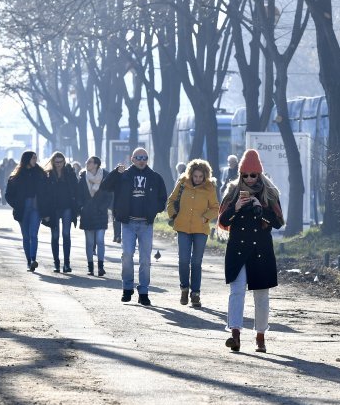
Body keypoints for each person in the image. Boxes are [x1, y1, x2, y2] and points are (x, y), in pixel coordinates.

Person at [218, 149, 284, 353]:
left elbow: (278, 222)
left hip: (261, 251)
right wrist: (236, 207)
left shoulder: (270, 193)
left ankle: (260, 337)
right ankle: (235, 334)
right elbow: (221, 221)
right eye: (245, 175)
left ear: (259, 174)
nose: (249, 179)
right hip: (238, 249)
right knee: (236, 292)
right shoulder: (232, 192)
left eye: (253, 175)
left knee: (261, 296)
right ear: (240, 174)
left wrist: (260, 207)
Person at [101, 148, 167, 306]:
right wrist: (115, 172)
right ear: (132, 159)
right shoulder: (123, 175)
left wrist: (153, 210)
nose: (142, 160)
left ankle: (143, 292)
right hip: (128, 222)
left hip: (146, 223)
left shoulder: (155, 177)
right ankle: (127, 287)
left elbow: (162, 198)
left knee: (145, 259)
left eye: (144, 157)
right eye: (138, 157)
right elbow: (105, 187)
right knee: (127, 255)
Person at [167, 159, 219, 308]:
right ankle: (184, 288)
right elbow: (171, 201)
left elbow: (215, 207)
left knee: (196, 262)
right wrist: (174, 215)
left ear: (205, 176)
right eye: (195, 176)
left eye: (200, 177)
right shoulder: (183, 183)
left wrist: (205, 217)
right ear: (190, 174)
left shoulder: (209, 188)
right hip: (182, 227)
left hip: (200, 230)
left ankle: (195, 293)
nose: (197, 179)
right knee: (183, 260)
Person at [6, 151, 46, 271]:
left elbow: (46, 191)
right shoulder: (16, 175)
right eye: (33, 158)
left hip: (36, 208)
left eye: (36, 158)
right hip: (22, 209)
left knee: (33, 234)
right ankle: (28, 261)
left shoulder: (40, 173)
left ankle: (33, 259)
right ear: (27, 159)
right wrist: (16, 205)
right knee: (26, 236)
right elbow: (8, 195)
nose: (35, 160)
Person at [41, 152, 79, 273]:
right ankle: (56, 263)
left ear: (64, 161)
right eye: (56, 162)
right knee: (55, 236)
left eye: (61, 162)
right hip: (53, 209)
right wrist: (45, 213)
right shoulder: (48, 175)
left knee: (66, 234)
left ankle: (66, 263)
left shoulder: (69, 173)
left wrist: (76, 208)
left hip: (67, 207)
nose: (58, 164)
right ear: (53, 162)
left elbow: (75, 189)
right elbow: (45, 195)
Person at [77, 156, 112, 276]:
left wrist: (102, 208)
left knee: (100, 240)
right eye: (87, 162)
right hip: (87, 214)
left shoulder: (105, 177)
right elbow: (78, 195)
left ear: (96, 164)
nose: (87, 163)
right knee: (89, 242)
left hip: (100, 213)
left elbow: (109, 195)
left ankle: (101, 267)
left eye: (90, 162)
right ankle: (90, 267)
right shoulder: (82, 178)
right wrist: (82, 207)